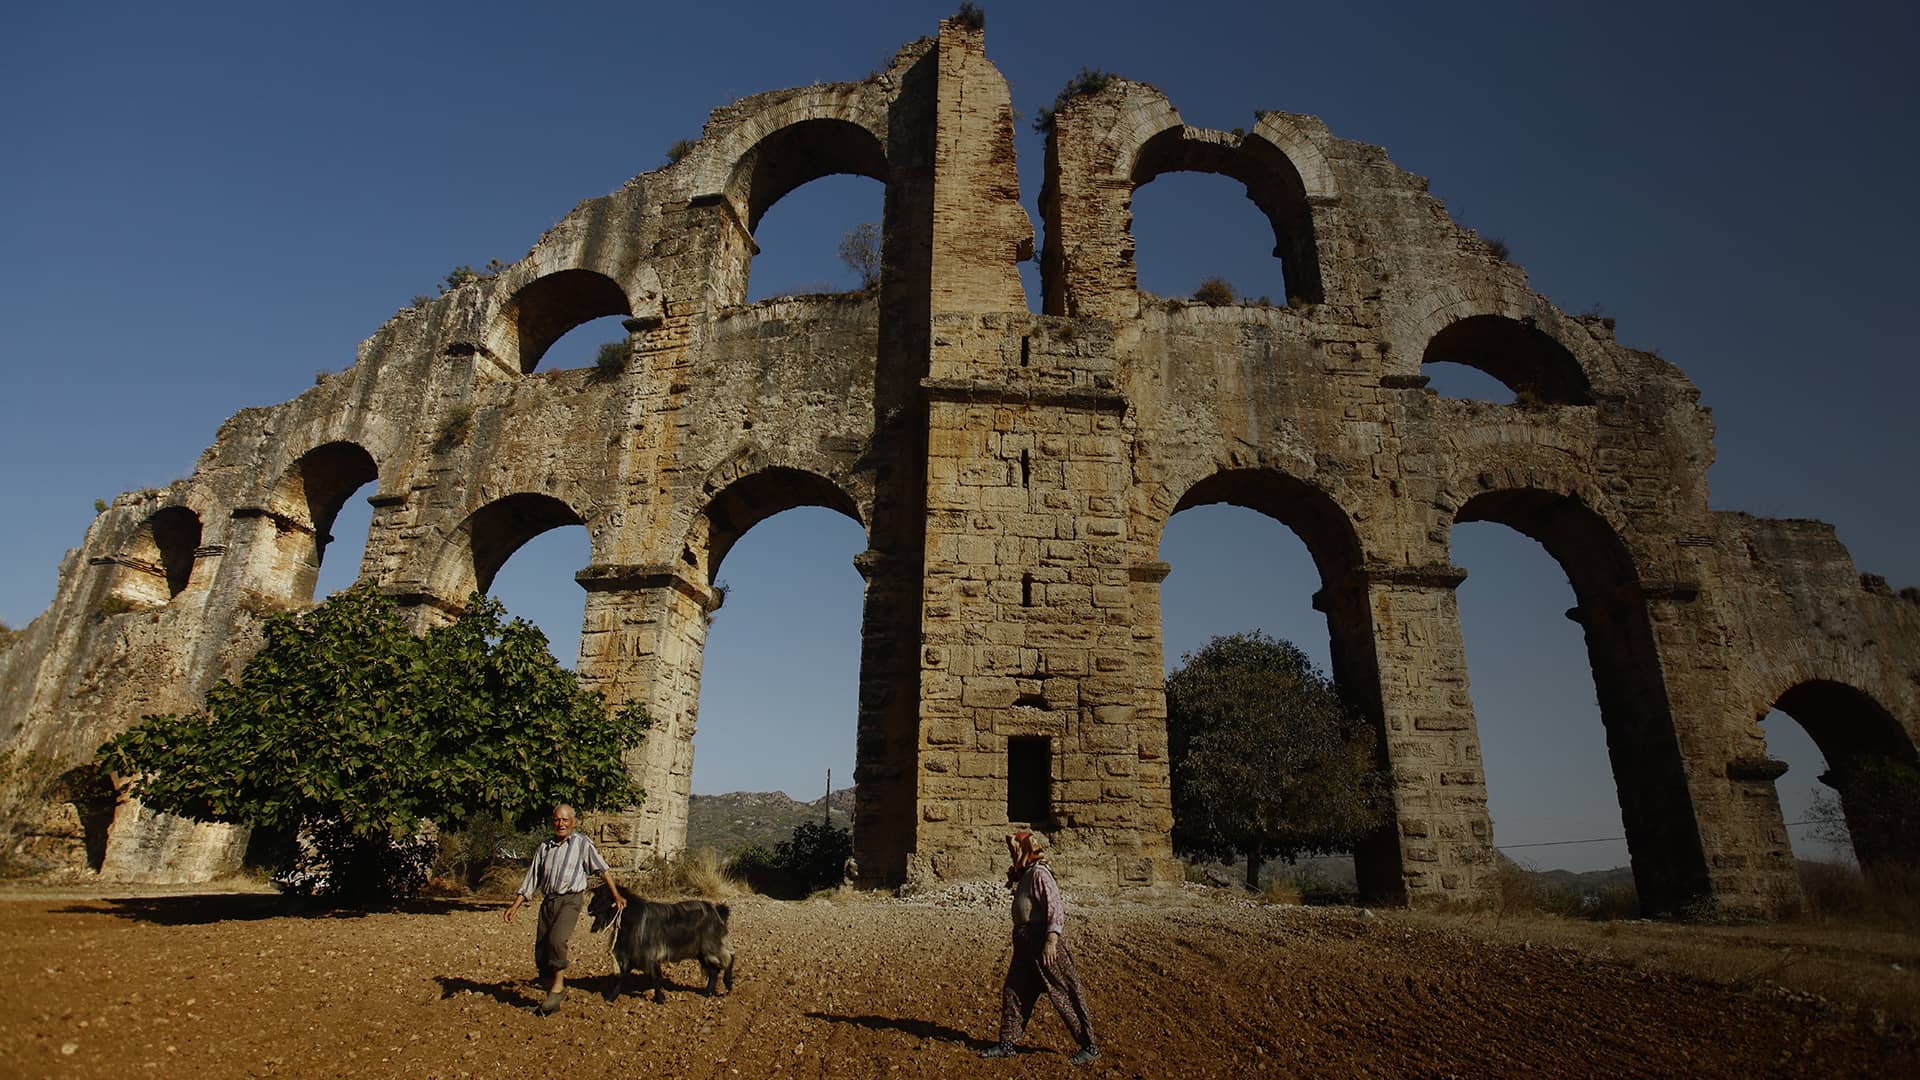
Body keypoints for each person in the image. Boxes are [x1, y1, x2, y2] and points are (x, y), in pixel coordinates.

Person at [979, 830, 1099, 1065]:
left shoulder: (1040, 873)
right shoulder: (1026, 874)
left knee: (1064, 992)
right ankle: (1007, 1043)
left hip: (1042, 943)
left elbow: (1055, 907)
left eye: (1015, 849)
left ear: (1025, 850)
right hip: (1025, 945)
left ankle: (1090, 1046)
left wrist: (1051, 941)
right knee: (1015, 991)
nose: (1012, 853)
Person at [503, 804, 626, 1016]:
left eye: (565, 819)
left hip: (571, 899)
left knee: (557, 940)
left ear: (573, 822)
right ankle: (551, 997)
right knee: (542, 951)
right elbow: (532, 878)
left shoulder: (582, 844)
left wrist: (616, 896)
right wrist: (515, 905)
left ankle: (558, 988)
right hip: (549, 901)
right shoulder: (545, 847)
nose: (561, 824)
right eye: (557, 820)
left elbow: (602, 870)